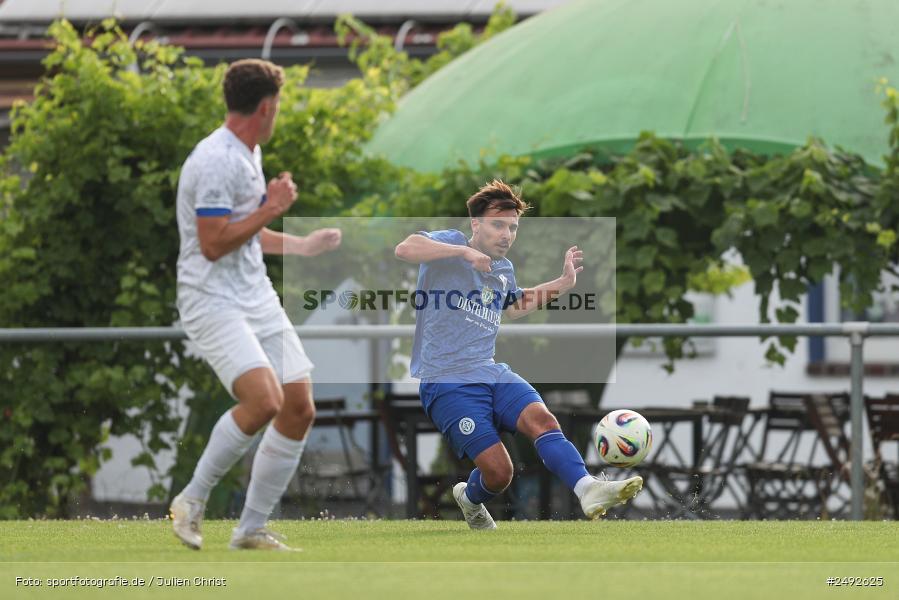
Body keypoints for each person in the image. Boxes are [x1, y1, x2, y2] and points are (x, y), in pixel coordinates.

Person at [394, 180, 642, 529]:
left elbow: (514, 305)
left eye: (513, 227)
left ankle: (588, 488)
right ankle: (470, 498)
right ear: (476, 225)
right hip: (446, 382)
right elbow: (405, 249)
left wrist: (563, 284)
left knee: (543, 421)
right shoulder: (451, 242)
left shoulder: (503, 269)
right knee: (499, 473)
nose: (507, 234)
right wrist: (464, 253)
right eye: (498, 224)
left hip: (491, 372)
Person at [170, 59, 340, 551]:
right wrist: (272, 206)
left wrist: (302, 245)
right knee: (264, 400)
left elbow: (242, 234)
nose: (278, 113)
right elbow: (213, 244)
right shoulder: (216, 160)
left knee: (298, 408)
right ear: (266, 107)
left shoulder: (250, 152)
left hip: (254, 296)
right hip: (212, 300)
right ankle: (191, 500)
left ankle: (249, 529)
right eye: (278, 106)